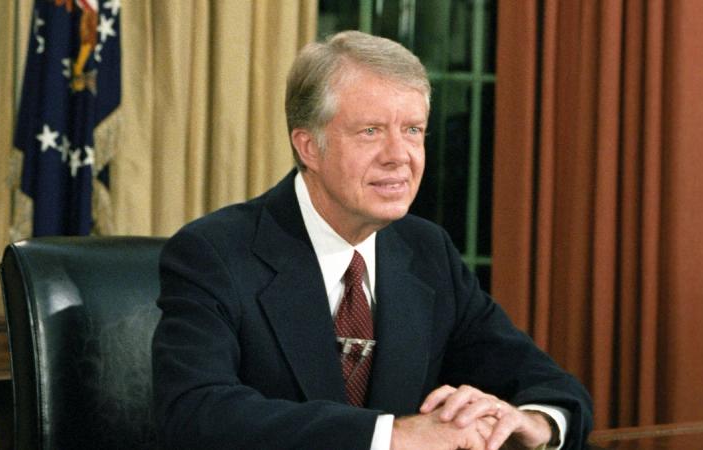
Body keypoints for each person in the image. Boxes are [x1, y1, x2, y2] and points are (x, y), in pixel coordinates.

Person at [152, 30, 593, 450]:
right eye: (371, 131)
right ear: (309, 147)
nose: (399, 156)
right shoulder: (214, 252)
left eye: (413, 130)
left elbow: (545, 383)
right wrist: (391, 438)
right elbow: (195, 413)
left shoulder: (427, 251)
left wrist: (534, 422)